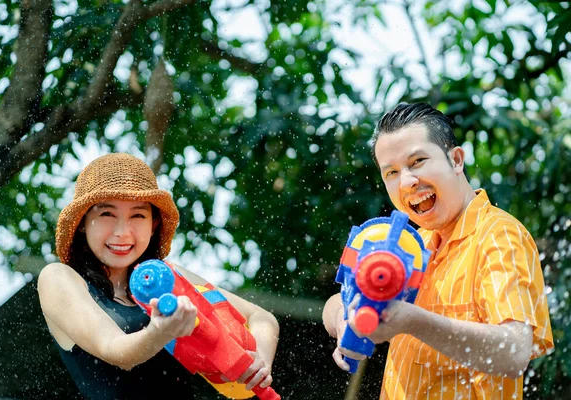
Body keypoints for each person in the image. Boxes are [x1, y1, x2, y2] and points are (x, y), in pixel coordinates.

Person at [322, 102, 554, 399]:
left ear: (456, 160)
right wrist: (343, 317)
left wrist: (412, 320)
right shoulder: (413, 244)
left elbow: (513, 352)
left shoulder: (499, 237)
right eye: (391, 172)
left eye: (417, 161)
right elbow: (337, 299)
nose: (406, 181)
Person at [38, 153, 280, 400]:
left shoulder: (168, 275)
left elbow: (261, 317)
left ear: (153, 225)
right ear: (82, 222)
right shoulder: (58, 277)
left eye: (138, 215)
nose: (122, 232)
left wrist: (259, 359)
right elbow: (115, 350)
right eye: (106, 214)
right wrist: (161, 331)